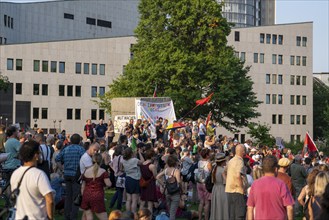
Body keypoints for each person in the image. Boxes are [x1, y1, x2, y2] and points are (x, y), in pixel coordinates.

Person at [10, 140, 54, 219]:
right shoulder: (39, 175)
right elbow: (49, 199)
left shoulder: (15, 173)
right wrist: (50, 217)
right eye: (39, 153)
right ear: (35, 156)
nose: (40, 155)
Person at [247, 155, 294, 220]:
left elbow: (250, 208)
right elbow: (289, 207)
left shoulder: (255, 184)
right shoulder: (281, 184)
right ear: (276, 169)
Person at [55, 133, 85, 220]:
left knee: (68, 196)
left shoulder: (66, 149)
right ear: (79, 141)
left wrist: (62, 169)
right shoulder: (81, 149)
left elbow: (57, 159)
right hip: (76, 175)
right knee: (75, 197)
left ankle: (66, 216)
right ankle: (73, 216)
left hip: (67, 174)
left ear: (71, 141)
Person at [81, 153, 112, 220]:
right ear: (101, 161)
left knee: (89, 216)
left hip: (86, 195)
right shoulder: (103, 171)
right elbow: (109, 184)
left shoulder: (86, 171)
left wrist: (83, 196)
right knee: (104, 217)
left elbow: (83, 186)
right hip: (97, 196)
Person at [225, 144, 247, 220]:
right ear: (243, 151)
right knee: (239, 214)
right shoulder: (239, 161)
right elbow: (238, 175)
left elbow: (225, 173)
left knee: (232, 215)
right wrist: (242, 188)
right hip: (237, 191)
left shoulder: (231, 160)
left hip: (229, 190)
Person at [156, 155, 181, 220]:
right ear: (175, 162)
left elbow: (157, 177)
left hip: (167, 191)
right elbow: (179, 182)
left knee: (170, 211)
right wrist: (182, 192)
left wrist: (163, 185)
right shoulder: (176, 171)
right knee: (172, 213)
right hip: (175, 193)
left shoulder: (166, 170)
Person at [121, 147, 144, 212]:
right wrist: (139, 153)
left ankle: (128, 214)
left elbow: (121, 169)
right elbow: (142, 162)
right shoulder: (134, 160)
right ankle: (133, 214)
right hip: (135, 180)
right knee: (134, 200)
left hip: (128, 179)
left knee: (128, 199)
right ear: (131, 154)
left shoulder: (123, 161)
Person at [210, 153, 229, 220]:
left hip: (215, 189)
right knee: (222, 206)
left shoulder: (214, 169)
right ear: (222, 162)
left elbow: (212, 181)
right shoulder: (222, 170)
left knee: (216, 206)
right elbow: (226, 181)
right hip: (221, 189)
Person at [196, 148, 212, 220]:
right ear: (207, 155)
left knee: (201, 202)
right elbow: (211, 172)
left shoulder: (199, 162)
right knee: (207, 202)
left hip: (199, 182)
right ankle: (206, 218)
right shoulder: (208, 163)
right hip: (206, 184)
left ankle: (199, 218)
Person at [140, 149, 157, 214]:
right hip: (150, 184)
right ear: (152, 156)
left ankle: (140, 216)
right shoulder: (152, 166)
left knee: (142, 202)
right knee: (150, 204)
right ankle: (149, 217)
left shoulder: (142, 164)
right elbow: (155, 176)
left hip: (144, 183)